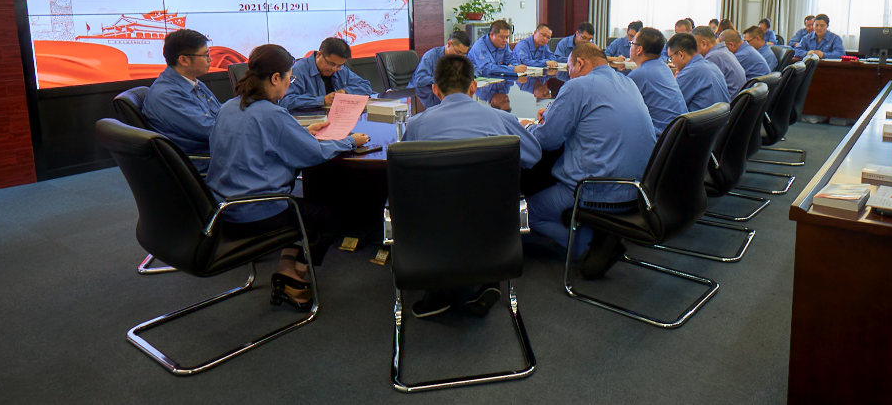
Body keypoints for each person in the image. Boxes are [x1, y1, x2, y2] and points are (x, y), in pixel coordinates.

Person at [206, 44, 371, 311]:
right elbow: (313, 153)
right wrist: (351, 141)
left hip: (222, 208)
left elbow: (261, 139)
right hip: (257, 211)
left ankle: (286, 268)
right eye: (289, 78)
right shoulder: (271, 113)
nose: (289, 84)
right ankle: (295, 276)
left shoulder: (228, 107)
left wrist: (302, 132)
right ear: (275, 78)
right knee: (334, 219)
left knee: (305, 207)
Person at [400, 54, 542, 318]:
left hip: (435, 226)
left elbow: (404, 175)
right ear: (474, 86)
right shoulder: (501, 119)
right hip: (492, 222)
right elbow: (533, 156)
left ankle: (436, 291)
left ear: (435, 89)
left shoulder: (417, 125)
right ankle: (490, 280)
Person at [521, 43, 657, 278]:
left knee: (524, 214)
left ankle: (589, 244)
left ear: (580, 63)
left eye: (570, 69)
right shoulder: (627, 82)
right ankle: (601, 232)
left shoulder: (578, 85)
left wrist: (528, 127)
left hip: (595, 190)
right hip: (638, 189)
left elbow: (548, 139)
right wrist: (553, 112)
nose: (569, 75)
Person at [142, 29, 222, 172]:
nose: (210, 60)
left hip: (215, 151)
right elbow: (212, 131)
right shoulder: (167, 95)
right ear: (184, 60)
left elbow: (220, 113)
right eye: (205, 55)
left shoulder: (192, 82)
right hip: (206, 162)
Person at [280, 37, 374, 111]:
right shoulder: (298, 70)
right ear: (319, 55)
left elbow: (366, 86)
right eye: (331, 64)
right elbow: (286, 101)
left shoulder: (341, 70)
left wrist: (346, 92)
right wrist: (322, 101)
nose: (335, 69)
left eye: (339, 65)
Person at [628, 28, 688, 135]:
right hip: (677, 135)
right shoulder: (664, 67)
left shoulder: (640, 74)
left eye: (632, 43)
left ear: (639, 49)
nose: (630, 46)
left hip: (661, 138)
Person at [667, 32, 730, 112]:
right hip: (721, 117)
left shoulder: (690, 72)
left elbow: (670, 104)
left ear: (681, 55)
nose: (672, 62)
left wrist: (676, 80)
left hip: (702, 119)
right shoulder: (711, 65)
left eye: (671, 58)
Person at [695, 26, 746, 97]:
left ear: (703, 44)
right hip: (737, 97)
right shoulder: (723, 51)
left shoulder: (713, 56)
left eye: (694, 47)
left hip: (730, 100)